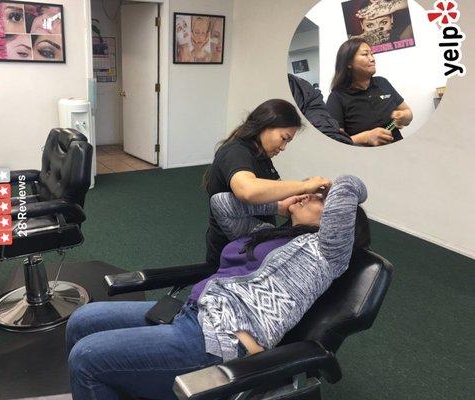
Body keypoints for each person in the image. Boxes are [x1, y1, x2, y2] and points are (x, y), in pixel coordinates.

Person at [66, 174, 369, 400]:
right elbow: (222, 204)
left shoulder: (327, 253)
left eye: (320, 200)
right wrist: (279, 204)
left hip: (219, 339)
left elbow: (351, 184)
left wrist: (312, 185)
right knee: (82, 320)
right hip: (191, 312)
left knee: (87, 358)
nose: (307, 196)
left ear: (337, 222)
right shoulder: (268, 234)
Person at [203, 99, 330, 269]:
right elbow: (247, 191)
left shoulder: (261, 155)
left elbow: (280, 191)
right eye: (284, 138)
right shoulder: (236, 152)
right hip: (233, 252)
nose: (283, 148)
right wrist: (304, 187)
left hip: (257, 242)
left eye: (288, 142)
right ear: (265, 125)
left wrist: (306, 193)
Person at [326, 38, 413, 145]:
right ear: (348, 63)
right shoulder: (336, 97)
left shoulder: (383, 83)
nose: (372, 59)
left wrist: (404, 116)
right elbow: (336, 141)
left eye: (372, 54)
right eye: (365, 54)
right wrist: (365, 137)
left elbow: (408, 112)